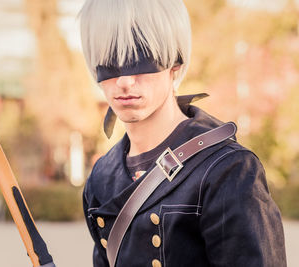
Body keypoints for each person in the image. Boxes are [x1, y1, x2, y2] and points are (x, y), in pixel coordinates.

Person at [79, 0, 287, 266]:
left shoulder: (227, 171)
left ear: (174, 63)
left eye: (139, 60)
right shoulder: (101, 178)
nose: (124, 82)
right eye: (109, 63)